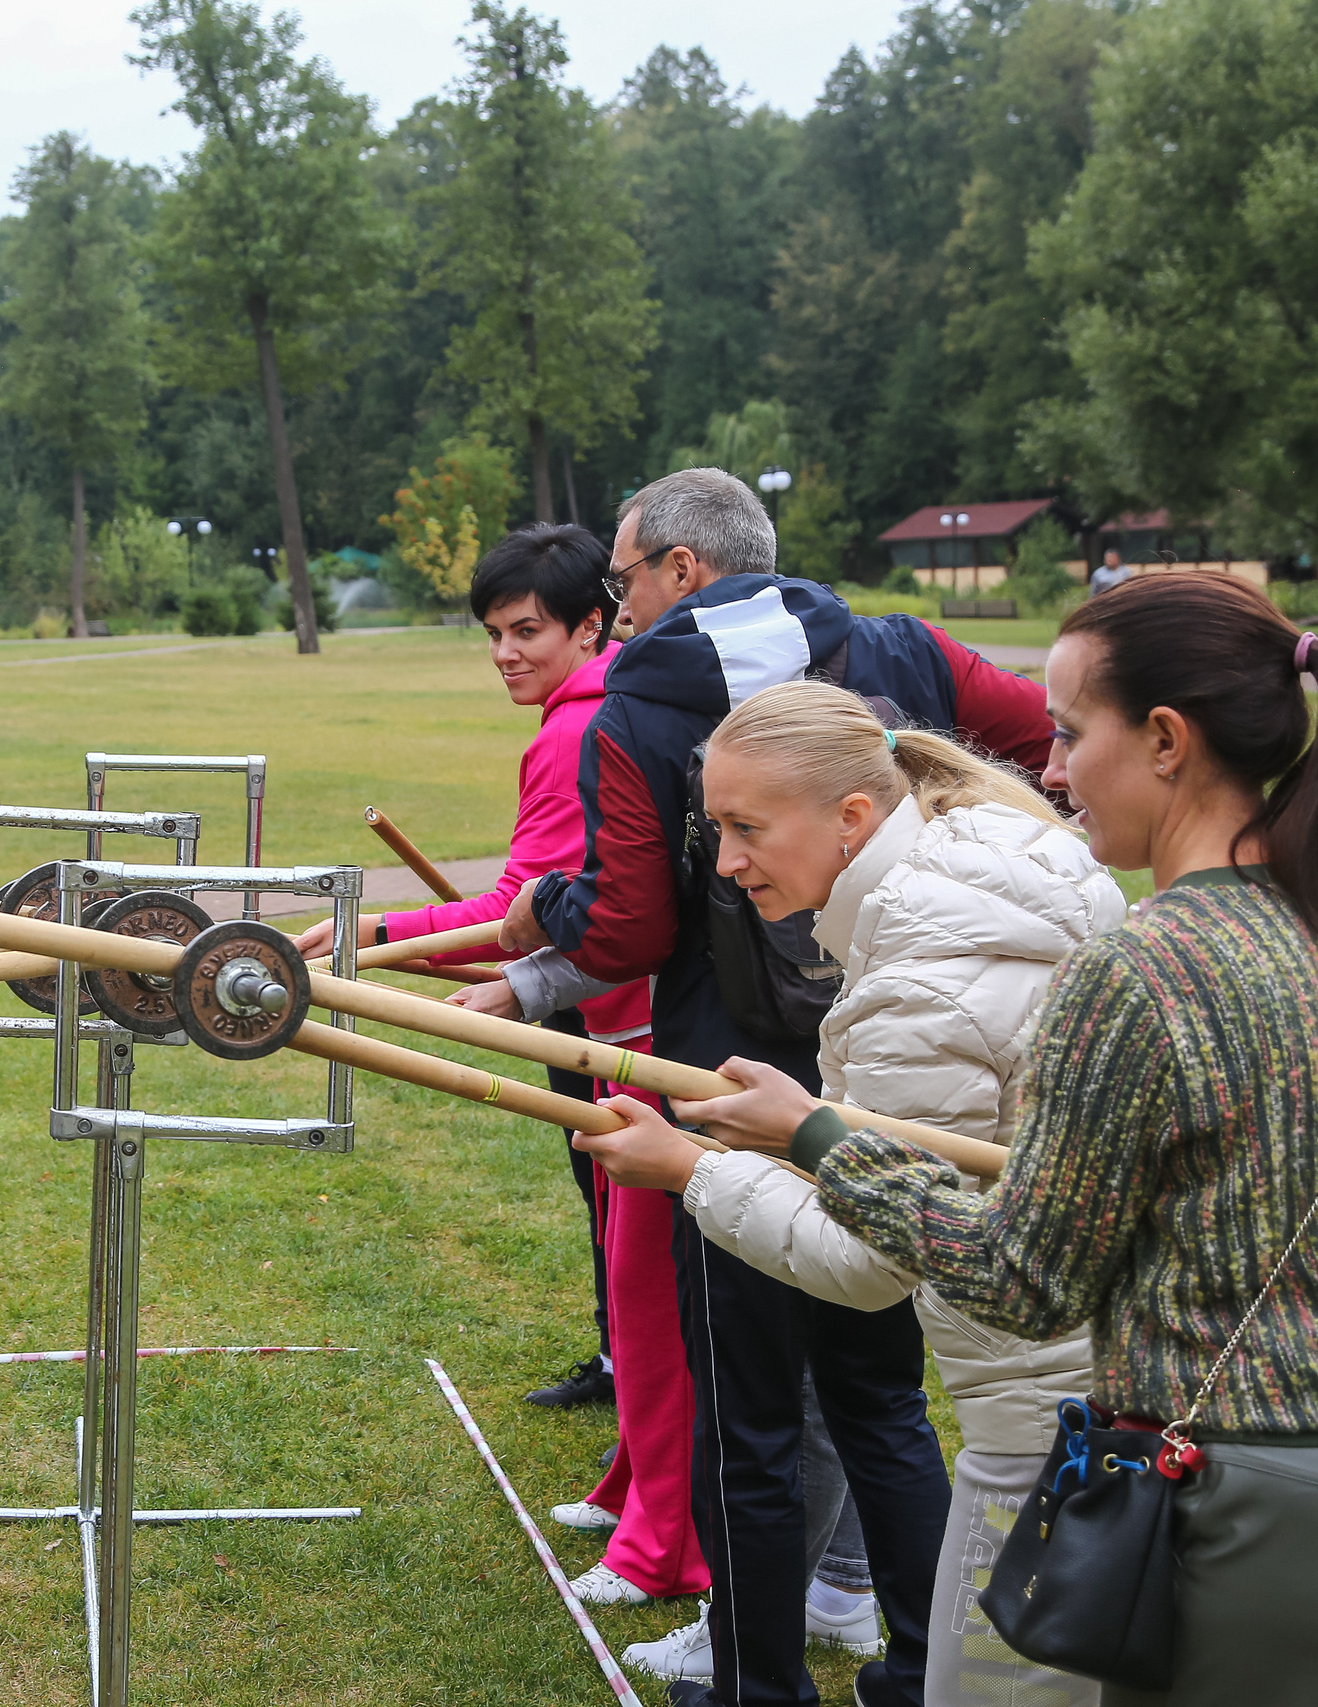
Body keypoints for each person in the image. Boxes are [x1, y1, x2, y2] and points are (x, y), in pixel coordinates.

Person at [652, 573, 1318, 1707]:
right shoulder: (1288, 922)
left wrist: (797, 1139)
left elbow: (1024, 1275)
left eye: (1065, 733)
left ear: (1163, 740)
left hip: (1206, 1478)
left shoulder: (1146, 967)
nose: (1046, 772)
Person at [493, 468, 1057, 1707]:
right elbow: (1038, 734)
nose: (617, 604)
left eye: (624, 579)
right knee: (878, 1395)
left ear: (683, 570)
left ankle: (758, 1683)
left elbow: (630, 927)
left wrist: (545, 913)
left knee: (747, 1408)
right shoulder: (896, 641)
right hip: (883, 1048)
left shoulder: (640, 690)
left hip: (730, 1066)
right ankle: (915, 1661)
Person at [576, 678, 1117, 1707]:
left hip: (1041, 1399)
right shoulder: (982, 863)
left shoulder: (922, 972)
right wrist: (800, 1127)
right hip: (1082, 1371)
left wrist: (688, 1169)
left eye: (744, 829)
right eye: (715, 828)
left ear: (853, 818)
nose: (725, 865)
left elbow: (867, 1265)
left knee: (1002, 1685)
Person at [291, 525, 701, 1610]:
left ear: (590, 627)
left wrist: (362, 934)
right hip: (611, 1038)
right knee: (631, 1290)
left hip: (639, 1047)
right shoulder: (590, 712)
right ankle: (634, 1489)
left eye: (529, 631)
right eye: (494, 634)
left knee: (652, 1302)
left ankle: (667, 1539)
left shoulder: (585, 730)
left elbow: (521, 914)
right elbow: (532, 912)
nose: (506, 653)